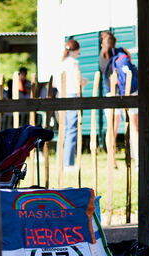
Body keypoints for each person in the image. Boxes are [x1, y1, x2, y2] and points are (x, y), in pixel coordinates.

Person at [100, 31, 138, 138]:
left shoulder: (102, 58)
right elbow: (131, 66)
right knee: (135, 127)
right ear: (115, 41)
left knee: (112, 129)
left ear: (102, 43)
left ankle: (111, 154)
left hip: (112, 94)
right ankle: (136, 153)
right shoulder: (123, 51)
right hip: (130, 91)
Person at [59, 38, 88, 167]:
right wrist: (84, 82)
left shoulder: (62, 63)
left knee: (64, 129)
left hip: (62, 95)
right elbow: (78, 80)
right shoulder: (74, 63)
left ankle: (63, 159)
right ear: (76, 51)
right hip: (72, 94)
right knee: (71, 129)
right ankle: (68, 162)